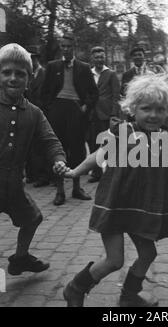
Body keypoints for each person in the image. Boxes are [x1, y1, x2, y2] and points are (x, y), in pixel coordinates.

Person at [61, 74, 168, 307]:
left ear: (167, 110)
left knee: (148, 254)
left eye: (160, 109)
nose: (153, 115)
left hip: (144, 207)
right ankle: (75, 288)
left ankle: (129, 297)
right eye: (146, 108)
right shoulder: (121, 132)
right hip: (115, 205)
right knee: (114, 260)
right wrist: (74, 172)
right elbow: (98, 157)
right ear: (133, 109)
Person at [0, 43, 67, 276]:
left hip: (14, 185)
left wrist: (58, 159)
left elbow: (50, 140)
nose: (13, 78)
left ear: (29, 78)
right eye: (6, 72)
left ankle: (20, 258)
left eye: (20, 74)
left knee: (33, 218)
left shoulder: (34, 112)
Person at [41, 32, 99, 206]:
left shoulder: (83, 67)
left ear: (74, 47)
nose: (65, 49)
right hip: (58, 110)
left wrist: (85, 106)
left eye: (69, 46)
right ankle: (59, 191)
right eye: (63, 46)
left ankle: (76, 188)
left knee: (77, 149)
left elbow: (94, 93)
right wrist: (50, 108)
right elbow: (44, 92)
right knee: (59, 149)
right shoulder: (52, 66)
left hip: (76, 110)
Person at [87, 46, 121, 183]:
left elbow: (116, 96)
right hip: (91, 114)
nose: (99, 60)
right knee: (92, 143)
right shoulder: (88, 73)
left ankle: (111, 173)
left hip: (106, 114)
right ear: (92, 59)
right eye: (96, 57)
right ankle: (96, 173)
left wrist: (113, 114)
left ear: (104, 58)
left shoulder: (111, 74)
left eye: (101, 57)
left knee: (108, 143)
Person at [25, 45, 51, 188]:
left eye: (31, 58)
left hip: (42, 114)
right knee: (30, 145)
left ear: (36, 59)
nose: (29, 60)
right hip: (28, 114)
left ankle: (44, 176)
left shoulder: (45, 74)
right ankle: (32, 174)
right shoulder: (27, 75)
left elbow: (48, 95)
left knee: (42, 145)